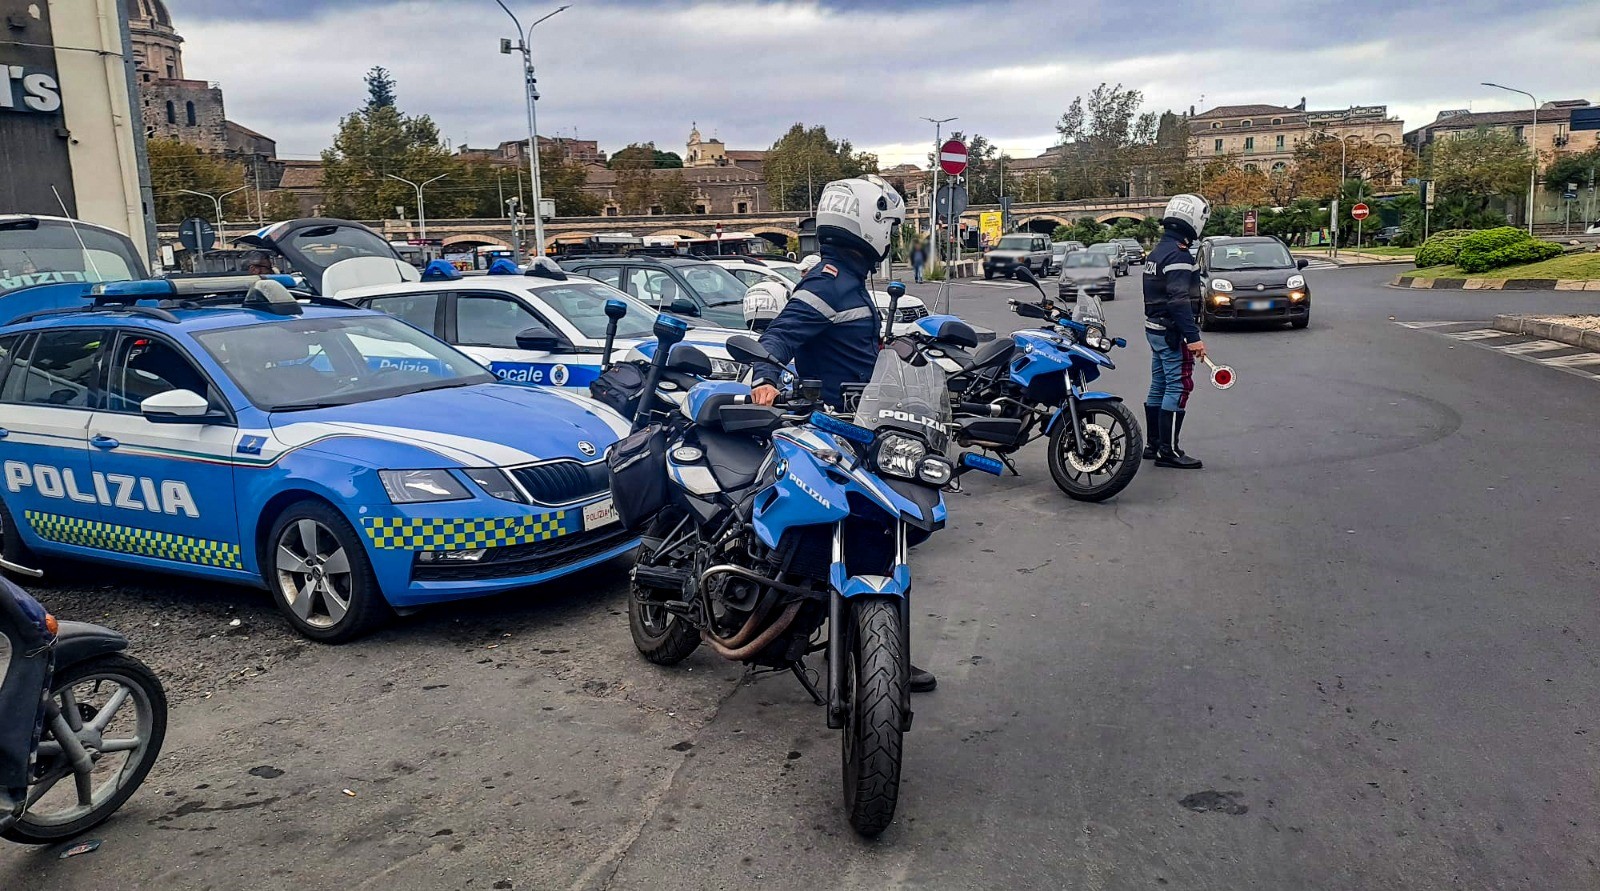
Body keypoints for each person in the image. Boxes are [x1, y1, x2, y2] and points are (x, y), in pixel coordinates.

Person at [748, 175, 938, 694]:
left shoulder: (850, 282)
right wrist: (765, 377)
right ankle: (861, 645)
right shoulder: (828, 283)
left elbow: (852, 356)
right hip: (829, 433)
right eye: (889, 228)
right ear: (869, 225)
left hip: (861, 429)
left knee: (885, 535)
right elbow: (780, 337)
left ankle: (879, 650)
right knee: (850, 534)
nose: (892, 239)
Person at [1141, 194, 1210, 470]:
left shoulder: (1158, 251)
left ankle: (1154, 444)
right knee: (1179, 386)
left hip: (1154, 329)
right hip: (1171, 332)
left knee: (1159, 384)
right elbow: (1179, 300)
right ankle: (1168, 451)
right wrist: (1193, 338)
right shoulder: (1178, 254)